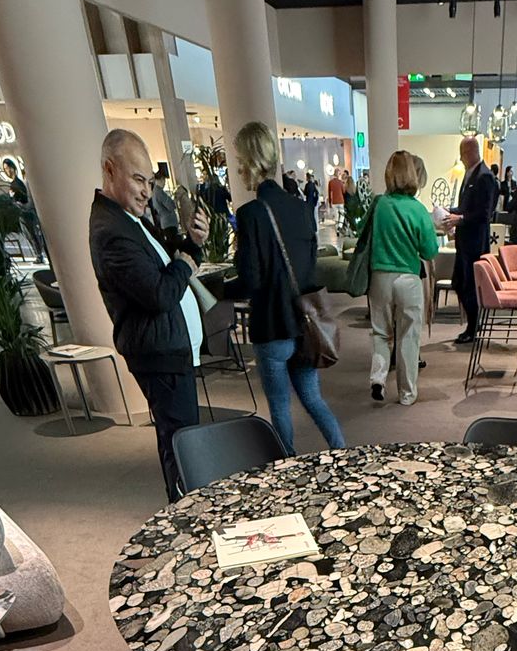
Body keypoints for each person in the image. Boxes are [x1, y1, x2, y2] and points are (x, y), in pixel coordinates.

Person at [89, 128, 208, 502]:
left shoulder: (128, 219)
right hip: (160, 357)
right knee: (181, 447)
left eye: (150, 182)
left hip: (170, 352)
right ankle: (185, 516)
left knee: (183, 443)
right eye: (138, 180)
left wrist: (192, 245)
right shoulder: (111, 230)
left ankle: (187, 509)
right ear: (110, 170)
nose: (146, 191)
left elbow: (164, 269)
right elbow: (160, 293)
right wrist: (185, 262)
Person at [223, 119, 344, 456]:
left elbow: (251, 280)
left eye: (239, 161)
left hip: (272, 324)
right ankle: (342, 452)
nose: (238, 169)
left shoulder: (250, 214)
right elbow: (309, 264)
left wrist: (222, 285)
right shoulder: (302, 209)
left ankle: (286, 465)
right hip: (304, 321)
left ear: (248, 162)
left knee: (279, 405)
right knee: (313, 398)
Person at [360, 150, 439, 406]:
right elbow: (429, 250)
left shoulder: (379, 205)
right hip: (408, 278)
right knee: (408, 336)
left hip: (380, 277)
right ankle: (407, 393)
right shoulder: (418, 209)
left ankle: (378, 378)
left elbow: (362, 233)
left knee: (381, 332)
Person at [446, 136, 499, 344]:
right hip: (465, 242)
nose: (461, 159)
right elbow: (466, 207)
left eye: (462, 155)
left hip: (475, 243)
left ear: (470, 153)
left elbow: (484, 214)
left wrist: (460, 219)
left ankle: (472, 327)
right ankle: (473, 324)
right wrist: (450, 212)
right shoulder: (470, 174)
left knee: (469, 286)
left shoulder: (484, 177)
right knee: (459, 283)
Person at [1, 157, 46, 259]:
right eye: (5, 169)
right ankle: (39, 254)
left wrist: (15, 201)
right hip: (24, 212)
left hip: (25, 211)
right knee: (31, 234)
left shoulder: (19, 183)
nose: (7, 171)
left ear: (13, 168)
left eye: (8, 168)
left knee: (32, 234)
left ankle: (39, 254)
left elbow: (25, 199)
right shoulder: (16, 183)